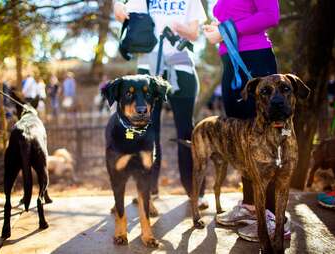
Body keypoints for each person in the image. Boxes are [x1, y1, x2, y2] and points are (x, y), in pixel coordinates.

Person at [203, 0, 289, 242]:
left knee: (266, 139)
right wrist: (219, 31)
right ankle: (251, 206)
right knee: (244, 139)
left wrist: (226, 30)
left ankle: (273, 218)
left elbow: (270, 16)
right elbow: (237, 18)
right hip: (231, 64)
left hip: (255, 60)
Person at [114, 0, 208, 207]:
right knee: (148, 131)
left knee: (185, 130)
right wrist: (117, 4)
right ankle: (149, 189)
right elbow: (121, 15)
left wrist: (174, 27)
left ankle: (195, 191)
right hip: (149, 72)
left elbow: (194, 33)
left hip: (182, 70)